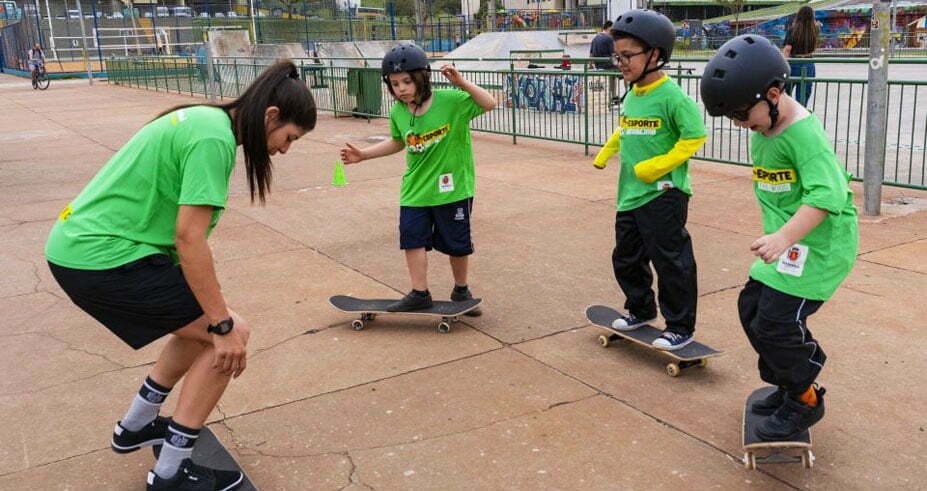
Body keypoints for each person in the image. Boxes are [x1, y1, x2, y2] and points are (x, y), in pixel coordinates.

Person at [45, 60, 317, 490]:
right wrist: (223, 325)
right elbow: (190, 240)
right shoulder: (213, 138)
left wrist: (212, 314)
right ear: (271, 116)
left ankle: (135, 425)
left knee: (199, 325)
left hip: (82, 248)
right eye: (289, 138)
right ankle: (170, 470)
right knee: (230, 335)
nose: (285, 149)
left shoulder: (203, 119)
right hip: (101, 256)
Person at [701, 35, 858, 440]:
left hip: (820, 249)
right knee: (751, 308)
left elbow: (829, 195)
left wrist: (783, 237)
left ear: (773, 94)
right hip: (788, 247)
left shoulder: (803, 135)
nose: (740, 125)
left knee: (776, 324)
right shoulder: (766, 129)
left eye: (741, 114)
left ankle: (805, 399)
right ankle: (790, 383)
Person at [339, 43, 495, 314]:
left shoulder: (451, 102)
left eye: (407, 81)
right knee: (412, 239)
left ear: (422, 78)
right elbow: (398, 142)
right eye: (395, 83)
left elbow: (489, 103)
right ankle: (419, 292)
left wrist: (462, 83)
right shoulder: (399, 112)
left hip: (453, 190)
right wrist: (363, 155)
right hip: (414, 190)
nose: (401, 88)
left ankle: (461, 291)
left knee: (456, 245)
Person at [592, 10, 706, 350]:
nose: (621, 63)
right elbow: (626, 129)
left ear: (655, 55)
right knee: (626, 257)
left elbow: (695, 136)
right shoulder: (633, 94)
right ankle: (640, 309)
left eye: (628, 56)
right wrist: (606, 152)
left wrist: (657, 167)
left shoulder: (673, 97)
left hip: (664, 193)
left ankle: (680, 326)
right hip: (630, 192)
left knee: (670, 261)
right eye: (618, 55)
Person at [782, 6, 819, 106]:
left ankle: (787, 117)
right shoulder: (815, 30)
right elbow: (813, 49)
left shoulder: (793, 30)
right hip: (808, 63)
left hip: (794, 63)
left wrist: (783, 65)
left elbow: (787, 49)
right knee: (803, 97)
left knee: (785, 94)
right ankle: (800, 116)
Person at [590, 20, 619, 104]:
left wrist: (591, 65)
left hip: (598, 65)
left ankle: (613, 96)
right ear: (608, 28)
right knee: (624, 73)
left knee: (613, 76)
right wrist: (617, 64)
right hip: (608, 65)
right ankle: (618, 95)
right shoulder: (609, 38)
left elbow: (591, 54)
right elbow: (613, 55)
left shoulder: (595, 38)